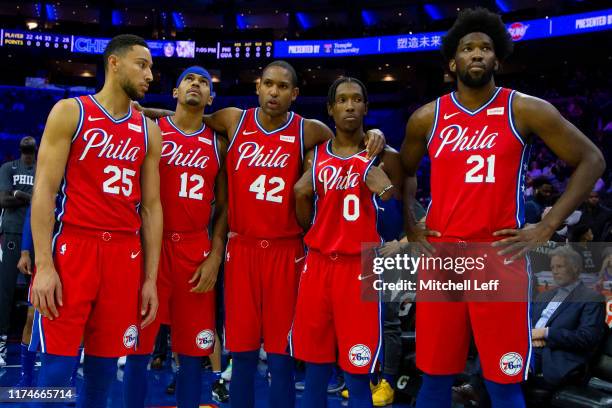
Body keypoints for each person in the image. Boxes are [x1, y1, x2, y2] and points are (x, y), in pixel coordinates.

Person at [140, 59, 385, 408]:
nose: (274, 91)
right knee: (241, 356)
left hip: (288, 252)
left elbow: (352, 142)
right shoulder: (233, 120)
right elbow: (186, 117)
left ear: (295, 94)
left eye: (283, 87)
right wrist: (144, 109)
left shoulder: (310, 130)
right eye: (268, 84)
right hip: (241, 251)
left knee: (281, 357)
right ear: (258, 87)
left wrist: (376, 134)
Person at [400, 8, 605, 408]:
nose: (477, 54)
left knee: (503, 380)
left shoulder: (525, 108)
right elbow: (402, 170)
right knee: (435, 378)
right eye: (468, 48)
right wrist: (411, 224)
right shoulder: (427, 116)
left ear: (498, 59)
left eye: (486, 48)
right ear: (452, 61)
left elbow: (592, 159)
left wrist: (547, 226)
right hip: (442, 257)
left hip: (498, 255)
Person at [29, 34, 162, 407]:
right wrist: (43, 265)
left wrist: (150, 279)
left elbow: (151, 208)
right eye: (143, 64)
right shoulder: (71, 111)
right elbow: (44, 191)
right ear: (114, 63)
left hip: (125, 254)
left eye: (151, 67)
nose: (150, 74)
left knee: (104, 373)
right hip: (75, 248)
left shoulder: (148, 130)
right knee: (56, 370)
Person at [292, 77, 403, 408]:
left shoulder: (385, 156)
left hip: (360, 267)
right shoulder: (315, 156)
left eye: (357, 99)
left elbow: (398, 214)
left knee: (358, 369)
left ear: (366, 108)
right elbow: (301, 206)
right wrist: (302, 198)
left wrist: (386, 191)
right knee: (315, 367)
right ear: (331, 109)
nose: (350, 105)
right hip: (319, 263)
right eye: (342, 100)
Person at [123, 66, 229, 408]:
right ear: (175, 92)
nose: (196, 84)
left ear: (211, 98)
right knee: (139, 347)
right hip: (150, 246)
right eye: (189, 79)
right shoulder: (151, 130)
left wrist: (215, 256)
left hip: (195, 250)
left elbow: (226, 209)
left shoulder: (220, 143)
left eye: (203, 82)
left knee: (192, 350)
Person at [531, 246, 606, 389]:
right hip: (529, 346)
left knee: (506, 372)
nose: (554, 271)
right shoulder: (543, 295)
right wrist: (530, 336)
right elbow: (526, 321)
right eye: (552, 267)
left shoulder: (592, 298)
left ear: (575, 268)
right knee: (489, 364)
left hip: (555, 356)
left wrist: (545, 333)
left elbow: (586, 338)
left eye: (560, 266)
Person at [0, 135, 36, 366]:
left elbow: (48, 200)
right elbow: (3, 200)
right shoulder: (8, 167)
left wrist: (19, 195)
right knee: (4, 292)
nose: (27, 139)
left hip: (37, 235)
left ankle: (39, 344)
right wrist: (31, 198)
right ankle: (1, 345)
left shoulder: (44, 168)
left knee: (39, 295)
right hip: (12, 235)